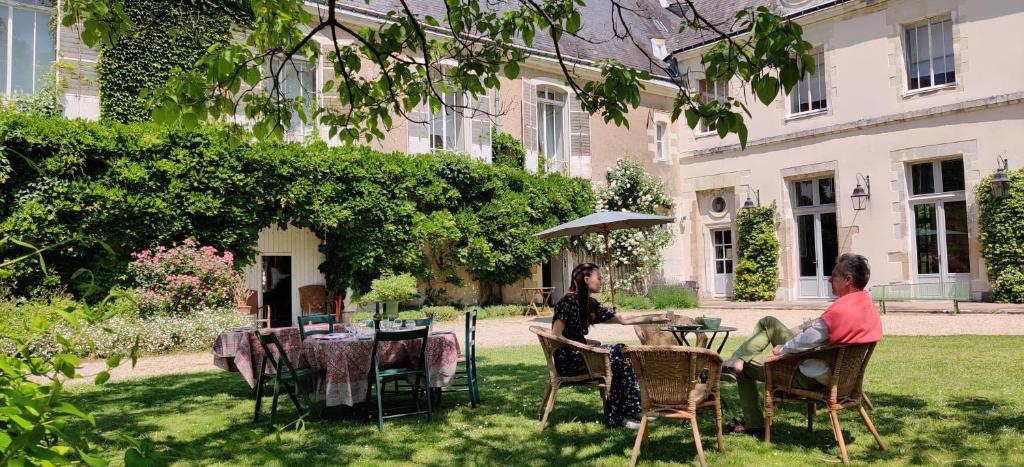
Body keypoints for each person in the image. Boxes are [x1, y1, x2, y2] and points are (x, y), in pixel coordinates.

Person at [721, 253, 883, 436]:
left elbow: (806, 341)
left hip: (808, 374)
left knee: (746, 368)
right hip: (840, 376)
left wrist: (782, 349)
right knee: (768, 322)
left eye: (834, 275)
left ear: (848, 280)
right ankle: (736, 360)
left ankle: (754, 422)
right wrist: (806, 326)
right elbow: (820, 331)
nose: (829, 279)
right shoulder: (865, 304)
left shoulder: (840, 312)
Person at [551, 262, 672, 429]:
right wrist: (583, 346)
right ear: (587, 279)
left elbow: (623, 320)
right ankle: (626, 413)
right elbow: (555, 337)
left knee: (623, 354)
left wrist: (655, 318)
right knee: (620, 354)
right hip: (570, 361)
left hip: (584, 355)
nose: (602, 281)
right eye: (599, 278)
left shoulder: (589, 303)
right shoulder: (567, 302)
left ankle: (626, 412)